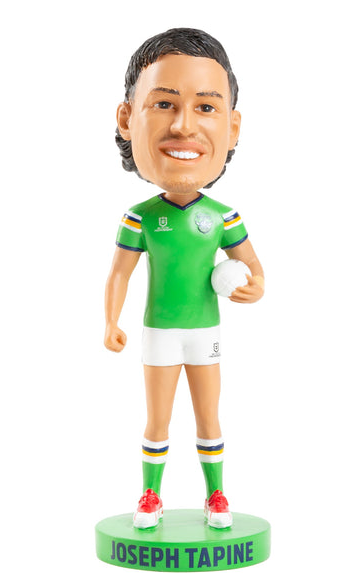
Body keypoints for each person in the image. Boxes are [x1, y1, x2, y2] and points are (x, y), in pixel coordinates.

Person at [104, 28, 264, 529]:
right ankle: (150, 495)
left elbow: (254, 267)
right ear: (128, 119)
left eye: (207, 107)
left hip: (204, 330)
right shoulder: (140, 217)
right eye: (164, 103)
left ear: (232, 128)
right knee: (157, 420)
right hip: (158, 331)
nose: (184, 124)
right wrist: (111, 321)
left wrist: (255, 286)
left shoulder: (222, 215)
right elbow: (119, 273)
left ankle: (216, 494)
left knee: (209, 417)